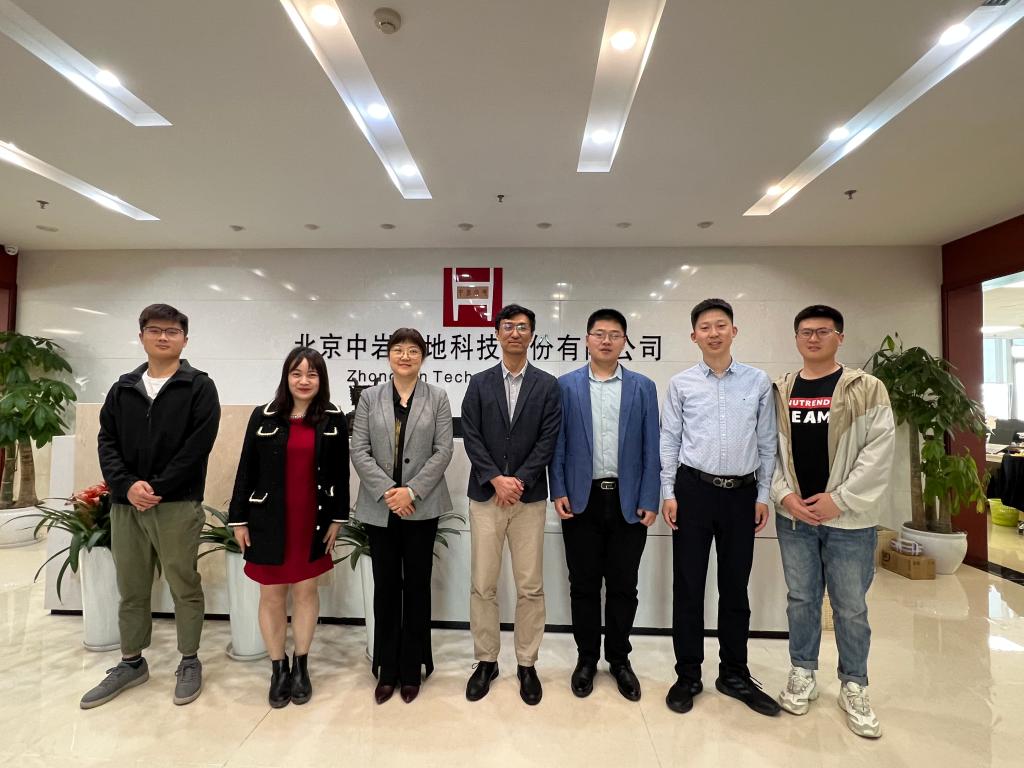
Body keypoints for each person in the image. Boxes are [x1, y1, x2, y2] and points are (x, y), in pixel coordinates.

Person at [84, 304, 220, 709]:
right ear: (141, 335)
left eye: (172, 331)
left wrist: (157, 487)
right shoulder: (123, 387)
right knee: (131, 586)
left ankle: (189, 660)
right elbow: (106, 441)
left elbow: (198, 446)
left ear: (185, 340)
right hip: (127, 504)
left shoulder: (199, 386)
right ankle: (131, 662)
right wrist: (126, 486)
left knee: (183, 584)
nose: (164, 337)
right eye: (155, 330)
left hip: (176, 503)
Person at [771, 305, 894, 738]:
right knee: (801, 599)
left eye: (823, 331)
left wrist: (839, 500)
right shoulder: (781, 390)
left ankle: (854, 685)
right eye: (805, 332)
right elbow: (770, 450)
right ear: (796, 338)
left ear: (839, 337)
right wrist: (784, 495)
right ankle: (803, 672)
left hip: (849, 521)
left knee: (850, 606)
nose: (813, 338)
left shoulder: (867, 388)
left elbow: (879, 451)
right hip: (795, 517)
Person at [659, 298, 780, 717]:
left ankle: (734, 674)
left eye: (721, 325)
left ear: (734, 331)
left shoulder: (757, 381)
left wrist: (762, 495)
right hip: (693, 491)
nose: (713, 333)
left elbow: (767, 442)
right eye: (705, 327)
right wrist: (669, 492)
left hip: (741, 496)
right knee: (688, 587)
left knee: (735, 587)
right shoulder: (681, 384)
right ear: (694, 336)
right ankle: (688, 675)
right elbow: (670, 440)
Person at [227, 347, 349, 708]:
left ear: (321, 379)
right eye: (297, 373)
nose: (304, 380)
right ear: (286, 377)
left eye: (312, 374)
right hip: (268, 519)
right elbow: (246, 468)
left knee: (306, 591)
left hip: (313, 519)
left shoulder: (333, 418)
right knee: (272, 594)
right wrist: (239, 519)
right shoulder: (263, 416)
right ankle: (278, 667)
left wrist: (338, 518)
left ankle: (301, 665)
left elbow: (340, 473)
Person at [549, 308, 660, 701]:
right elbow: (557, 444)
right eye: (599, 333)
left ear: (624, 341)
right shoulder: (566, 386)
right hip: (582, 499)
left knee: (624, 585)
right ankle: (586, 659)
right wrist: (558, 489)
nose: (606, 340)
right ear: (587, 339)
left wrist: (650, 497)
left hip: (629, 500)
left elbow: (652, 447)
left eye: (615, 334)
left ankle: (619, 659)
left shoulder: (643, 387)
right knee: (582, 584)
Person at [461, 303, 561, 705]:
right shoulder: (479, 383)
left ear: (531, 334)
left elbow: (548, 439)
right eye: (508, 326)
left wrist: (519, 481)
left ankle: (526, 662)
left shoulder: (547, 385)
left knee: (530, 586)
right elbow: (471, 435)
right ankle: (486, 660)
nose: (515, 333)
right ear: (498, 334)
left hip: (528, 498)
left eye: (522, 327)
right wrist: (495, 478)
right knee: (483, 584)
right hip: (486, 497)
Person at [350, 328, 454, 705]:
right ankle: (387, 668)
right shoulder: (369, 397)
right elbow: (359, 449)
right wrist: (388, 491)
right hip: (380, 507)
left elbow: (443, 450)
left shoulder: (437, 397)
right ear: (389, 355)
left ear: (423, 357)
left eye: (412, 350)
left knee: (418, 587)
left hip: (421, 507)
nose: (405, 356)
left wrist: (411, 491)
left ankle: (412, 668)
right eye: (398, 350)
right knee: (386, 587)